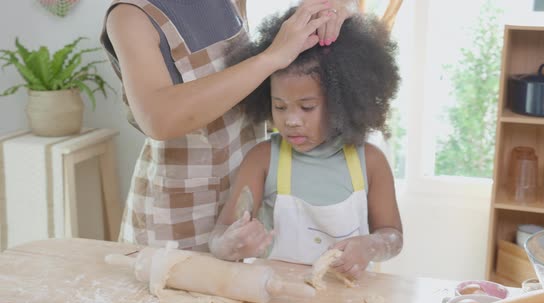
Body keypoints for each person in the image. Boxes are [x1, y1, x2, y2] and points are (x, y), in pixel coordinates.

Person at [100, 0, 359, 250]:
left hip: (244, 197)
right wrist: (271, 57)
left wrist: (338, 7)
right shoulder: (129, 16)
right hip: (177, 216)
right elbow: (158, 119)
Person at [209, 8, 403, 279]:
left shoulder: (370, 162)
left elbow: (392, 236)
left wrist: (371, 246)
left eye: (307, 107)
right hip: (277, 301)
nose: (291, 120)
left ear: (342, 104)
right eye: (280, 106)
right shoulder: (263, 158)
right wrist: (229, 244)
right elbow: (220, 235)